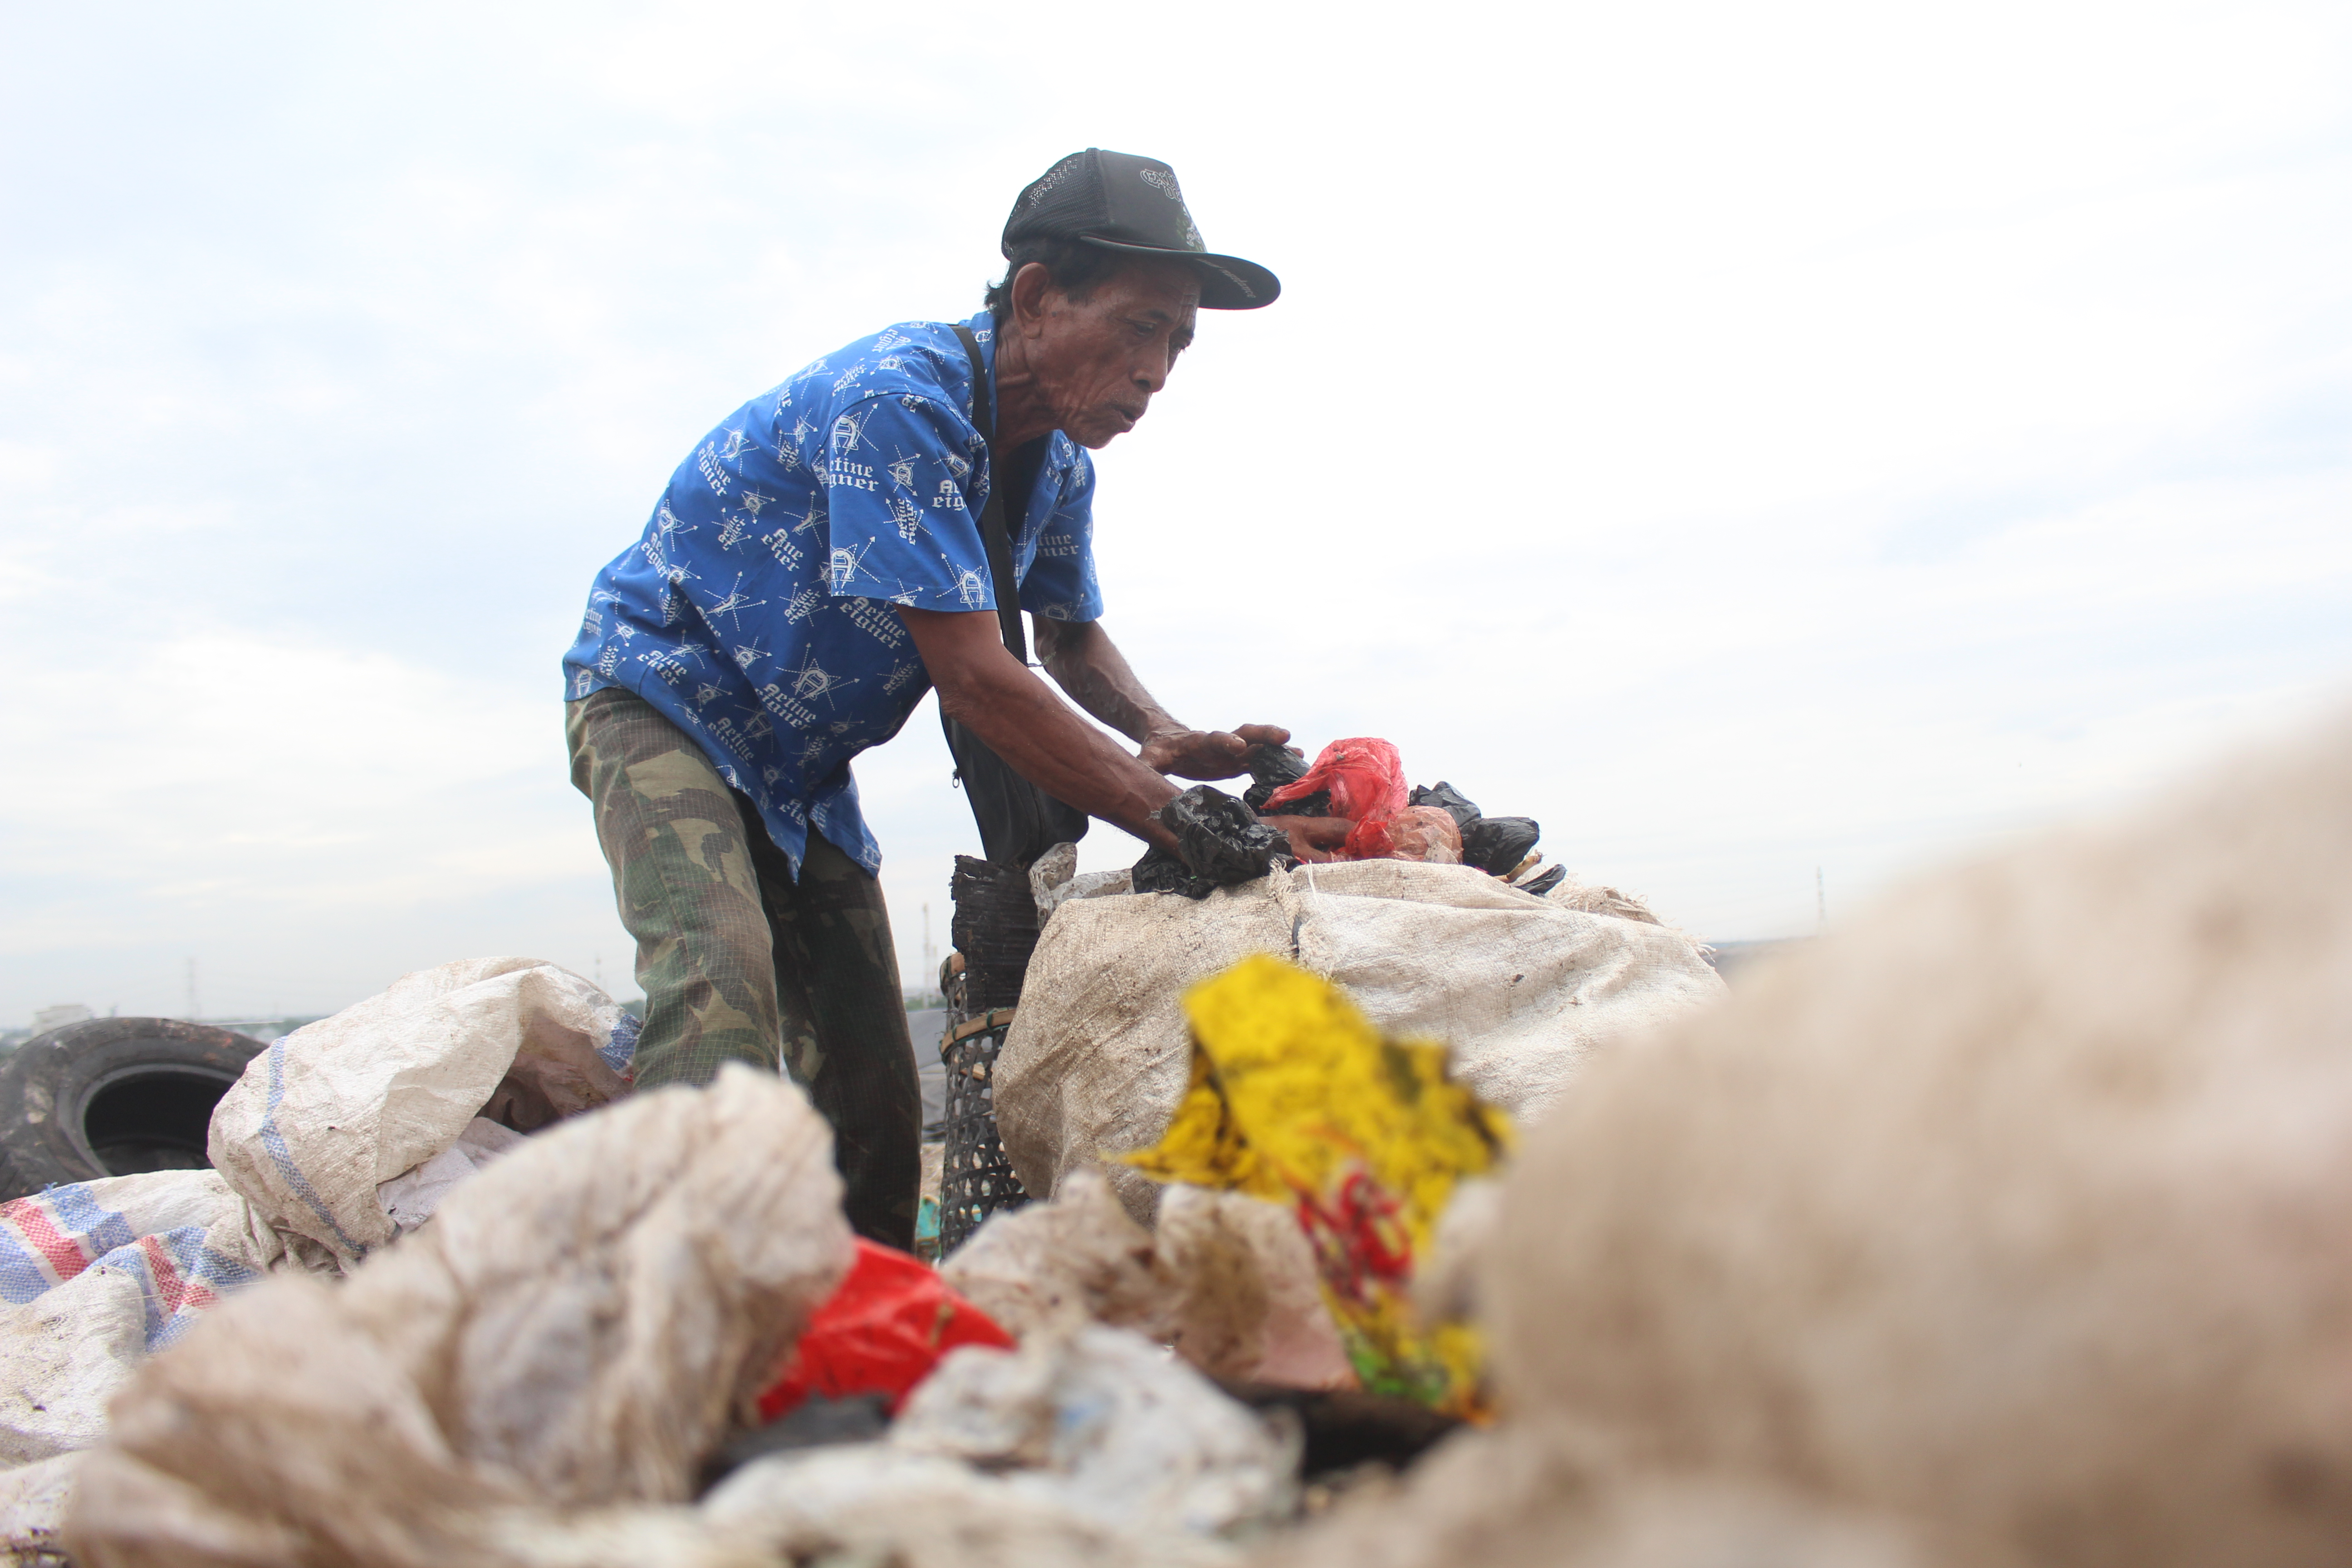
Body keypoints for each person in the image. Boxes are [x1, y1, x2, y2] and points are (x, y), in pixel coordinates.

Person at [560, 149, 1341, 1246]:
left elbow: (1065, 636)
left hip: (796, 771)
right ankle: (653, 1314)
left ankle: (860, 1338)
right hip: (666, 699)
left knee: (875, 1080)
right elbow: (978, 680)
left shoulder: (1059, 464)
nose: (1158, 369)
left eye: (1177, 340)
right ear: (1035, 297)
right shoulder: (901, 403)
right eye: (1137, 326)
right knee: (719, 983)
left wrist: (1162, 735)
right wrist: (1179, 822)